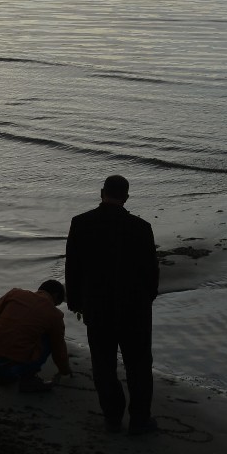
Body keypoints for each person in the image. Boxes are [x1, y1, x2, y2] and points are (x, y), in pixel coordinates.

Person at [64, 173, 160, 433]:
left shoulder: (81, 223)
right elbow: (151, 273)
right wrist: (147, 299)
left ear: (101, 192)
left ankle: (113, 414)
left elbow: (73, 267)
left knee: (103, 363)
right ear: (126, 197)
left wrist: (74, 301)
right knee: (139, 365)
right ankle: (139, 418)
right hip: (135, 309)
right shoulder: (142, 228)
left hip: (97, 306)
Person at [0, 278, 73, 392]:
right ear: (56, 296)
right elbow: (59, 350)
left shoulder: (15, 294)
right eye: (57, 303)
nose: (55, 306)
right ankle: (28, 379)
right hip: (15, 366)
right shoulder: (55, 315)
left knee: (12, 326)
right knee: (50, 338)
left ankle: (4, 375)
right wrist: (65, 370)